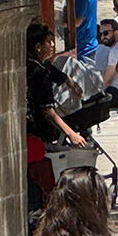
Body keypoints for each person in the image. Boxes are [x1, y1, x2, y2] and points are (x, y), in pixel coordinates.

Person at [25, 22, 86, 151]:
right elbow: (48, 111)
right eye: (48, 42)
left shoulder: (43, 65)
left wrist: (73, 85)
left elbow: (60, 76)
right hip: (37, 129)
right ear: (38, 47)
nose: (53, 45)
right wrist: (71, 134)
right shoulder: (37, 72)